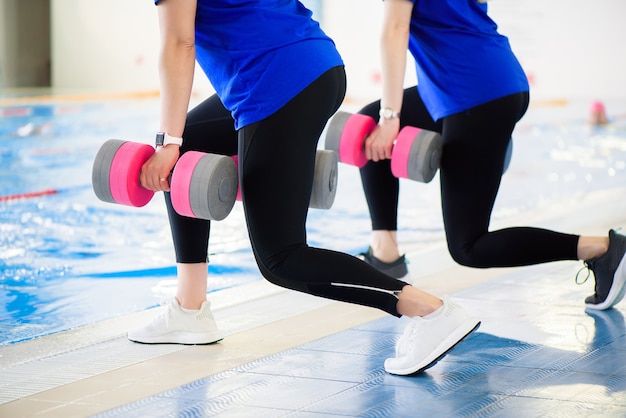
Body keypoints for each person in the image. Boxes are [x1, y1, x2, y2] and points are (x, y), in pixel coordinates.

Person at [126, 0, 481, 376]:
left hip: (273, 83)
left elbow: (180, 42)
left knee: (281, 259)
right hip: (316, 64)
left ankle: (431, 311)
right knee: (192, 143)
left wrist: (166, 144)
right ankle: (189, 308)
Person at [355, 0, 626, 311]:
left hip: (473, 94)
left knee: (468, 247)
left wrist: (392, 119)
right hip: (480, 83)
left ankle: (603, 250)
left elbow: (395, 28)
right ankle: (385, 253)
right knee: (366, 123)